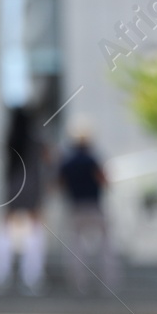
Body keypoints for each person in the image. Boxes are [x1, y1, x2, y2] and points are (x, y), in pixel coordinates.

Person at [0, 104, 47, 295]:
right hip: (33, 189)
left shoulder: (11, 139)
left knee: (3, 233)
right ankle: (32, 277)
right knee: (35, 234)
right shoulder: (35, 140)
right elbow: (47, 160)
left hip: (12, 189)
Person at [57, 119, 119, 294]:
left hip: (75, 207)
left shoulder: (67, 162)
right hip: (94, 206)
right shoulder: (93, 159)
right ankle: (109, 281)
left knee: (75, 246)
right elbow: (105, 181)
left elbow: (59, 184)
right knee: (106, 245)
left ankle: (78, 283)